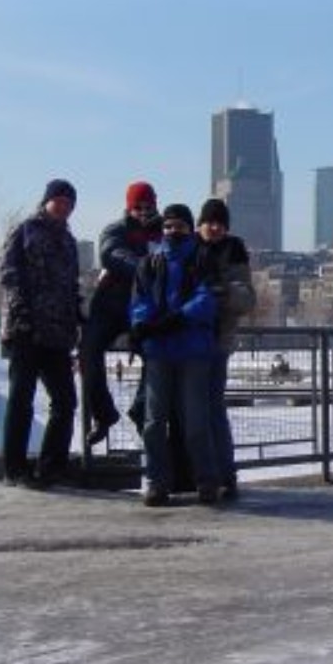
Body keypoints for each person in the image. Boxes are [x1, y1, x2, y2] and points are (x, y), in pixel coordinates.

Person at [130, 204, 220, 507]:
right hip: (159, 351)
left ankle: (207, 480)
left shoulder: (203, 258)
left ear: (190, 228)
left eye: (179, 226)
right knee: (154, 421)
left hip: (193, 350)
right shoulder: (150, 261)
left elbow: (207, 299)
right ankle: (156, 482)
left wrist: (177, 318)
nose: (172, 231)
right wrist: (142, 324)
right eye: (168, 226)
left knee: (195, 421)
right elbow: (139, 300)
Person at [0, 179, 83, 488]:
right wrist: (22, 312)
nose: (63, 206)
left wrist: (78, 316)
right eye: (58, 200)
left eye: (69, 202)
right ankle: (15, 468)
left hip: (57, 335)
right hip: (26, 330)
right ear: (46, 201)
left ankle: (52, 465)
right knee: (21, 399)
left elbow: (72, 286)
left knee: (65, 401)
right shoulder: (25, 231)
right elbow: (9, 274)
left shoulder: (70, 243)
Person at [81, 181, 161, 446]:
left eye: (147, 206)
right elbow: (110, 253)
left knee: (155, 353)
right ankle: (103, 415)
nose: (142, 211)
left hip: (143, 309)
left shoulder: (163, 233)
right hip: (110, 306)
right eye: (137, 206)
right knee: (88, 350)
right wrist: (144, 268)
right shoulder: (116, 229)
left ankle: (140, 410)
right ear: (128, 207)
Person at [195, 198, 256, 501]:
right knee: (195, 412)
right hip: (188, 342)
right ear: (200, 224)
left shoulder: (235, 250)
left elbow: (247, 299)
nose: (216, 227)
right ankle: (199, 474)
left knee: (213, 410)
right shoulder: (187, 247)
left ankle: (224, 475)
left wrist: (223, 290)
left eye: (221, 222)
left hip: (217, 342)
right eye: (210, 221)